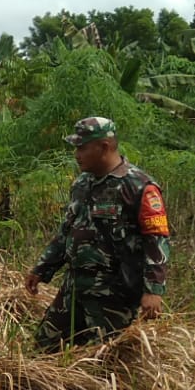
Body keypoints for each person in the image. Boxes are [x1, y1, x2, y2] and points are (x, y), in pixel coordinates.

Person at [23, 115, 170, 351]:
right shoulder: (82, 184)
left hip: (114, 292)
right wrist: (43, 268)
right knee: (44, 349)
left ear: (104, 147)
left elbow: (156, 240)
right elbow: (68, 230)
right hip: (75, 287)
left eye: (82, 147)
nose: (76, 154)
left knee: (107, 360)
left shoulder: (139, 186)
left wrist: (153, 290)